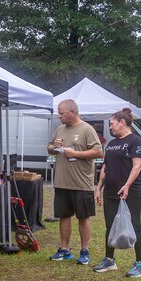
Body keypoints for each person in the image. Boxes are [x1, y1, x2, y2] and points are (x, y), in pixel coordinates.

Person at [94, 108, 141, 278]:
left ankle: (140, 265)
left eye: (112, 124)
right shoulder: (111, 144)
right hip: (110, 192)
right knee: (110, 225)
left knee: (135, 225)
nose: (110, 127)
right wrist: (98, 187)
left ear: (122, 122)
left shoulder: (136, 141)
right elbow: (105, 167)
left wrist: (127, 185)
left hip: (131, 192)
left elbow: (137, 166)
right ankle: (109, 260)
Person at [47, 99, 103, 264]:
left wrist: (76, 154)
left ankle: (84, 251)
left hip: (81, 183)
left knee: (83, 217)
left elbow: (98, 152)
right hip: (62, 182)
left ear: (72, 112)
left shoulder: (87, 129)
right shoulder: (60, 129)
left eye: (62, 113)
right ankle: (65, 249)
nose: (59, 116)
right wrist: (54, 147)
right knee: (64, 216)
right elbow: (49, 148)